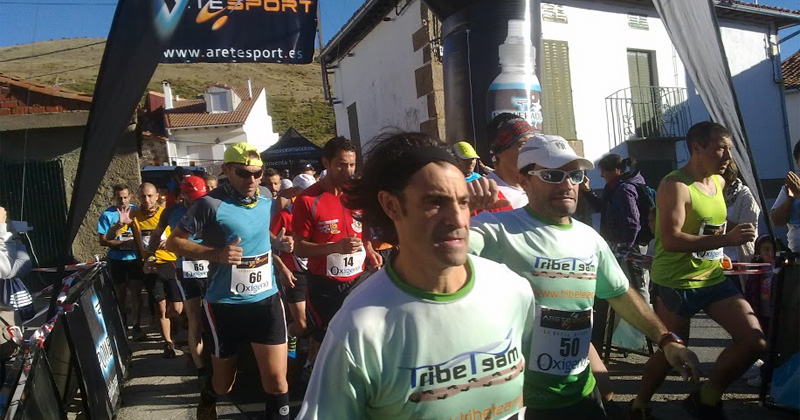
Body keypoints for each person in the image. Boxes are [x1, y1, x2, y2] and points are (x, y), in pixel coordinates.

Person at [297, 131, 534, 419]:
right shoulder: (359, 329)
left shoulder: (512, 290)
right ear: (391, 205)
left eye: (463, 202)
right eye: (435, 202)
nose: (457, 219)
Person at [468, 134, 699, 420]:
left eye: (574, 175)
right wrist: (458, 207)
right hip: (519, 400)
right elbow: (431, 256)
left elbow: (619, 294)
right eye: (552, 175)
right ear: (524, 180)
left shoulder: (589, 238)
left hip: (581, 393)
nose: (567, 184)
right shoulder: (495, 229)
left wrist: (666, 341)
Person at [632, 121, 765, 419]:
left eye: (730, 149)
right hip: (676, 282)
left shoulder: (718, 182)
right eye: (721, 148)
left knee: (754, 342)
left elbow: (710, 223)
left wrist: (734, 232)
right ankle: (639, 403)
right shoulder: (675, 185)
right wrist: (727, 239)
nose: (728, 156)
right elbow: (671, 239)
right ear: (697, 148)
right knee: (672, 353)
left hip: (712, 278)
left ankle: (707, 397)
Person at [166, 142, 294, 420]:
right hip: (225, 304)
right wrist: (216, 254)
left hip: (266, 299)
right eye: (243, 173)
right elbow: (173, 243)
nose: (252, 180)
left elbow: (257, 233)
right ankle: (208, 398)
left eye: (257, 173)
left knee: (277, 381)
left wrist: (278, 245)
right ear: (227, 170)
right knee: (225, 384)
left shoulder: (264, 196)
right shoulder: (209, 204)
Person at [292, 137, 380, 379]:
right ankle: (313, 375)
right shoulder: (308, 200)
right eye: (341, 165)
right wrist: (334, 248)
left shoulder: (357, 195)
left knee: (360, 331)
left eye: (352, 165)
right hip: (325, 284)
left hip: (357, 279)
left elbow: (363, 227)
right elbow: (299, 249)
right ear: (326, 163)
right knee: (325, 338)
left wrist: (369, 248)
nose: (348, 171)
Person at [109, 183, 170, 343]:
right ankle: (167, 342)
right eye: (143, 196)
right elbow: (108, 237)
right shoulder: (133, 215)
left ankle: (170, 324)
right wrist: (120, 224)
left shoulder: (166, 213)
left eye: (150, 196)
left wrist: (170, 241)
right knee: (160, 306)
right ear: (138, 198)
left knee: (175, 308)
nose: (147, 200)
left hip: (170, 263)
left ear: (157, 196)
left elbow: (182, 233)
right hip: (149, 264)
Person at [270, 173, 315, 358]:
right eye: (307, 192)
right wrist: (282, 268)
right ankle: (289, 335)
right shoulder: (284, 215)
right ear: (296, 192)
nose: (312, 196)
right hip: (294, 273)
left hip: (315, 271)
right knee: (302, 325)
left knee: (315, 322)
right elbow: (266, 246)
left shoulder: (315, 212)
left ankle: (308, 359)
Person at [97, 184, 144, 336]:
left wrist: (136, 244)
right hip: (117, 259)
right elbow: (103, 241)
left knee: (136, 293)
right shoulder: (107, 215)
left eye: (125, 197)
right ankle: (122, 323)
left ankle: (136, 325)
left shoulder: (136, 211)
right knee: (121, 294)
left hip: (135, 258)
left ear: (130, 197)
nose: (123, 201)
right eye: (119, 198)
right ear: (114, 198)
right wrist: (120, 243)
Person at [484, 113, 534, 209]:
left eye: (532, 143)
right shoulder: (485, 195)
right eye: (522, 144)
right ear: (499, 152)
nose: (530, 150)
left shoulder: (541, 188)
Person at [721, 162, 760, 267]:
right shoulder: (711, 194)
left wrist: (715, 221)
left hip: (738, 259)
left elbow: (745, 231)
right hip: (716, 259)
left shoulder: (746, 195)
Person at [769, 141, 800, 253]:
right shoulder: (790, 186)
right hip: (796, 252)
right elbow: (776, 221)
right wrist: (790, 199)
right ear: (797, 162)